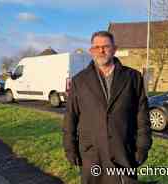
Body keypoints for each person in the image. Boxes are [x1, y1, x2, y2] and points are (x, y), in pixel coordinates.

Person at [63, 31, 152, 184]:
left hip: (124, 152)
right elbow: (71, 117)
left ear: (114, 49)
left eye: (105, 46)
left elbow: (142, 116)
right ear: (91, 51)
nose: (101, 51)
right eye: (96, 47)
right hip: (92, 155)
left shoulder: (133, 78)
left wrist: (143, 147)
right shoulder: (79, 81)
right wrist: (70, 148)